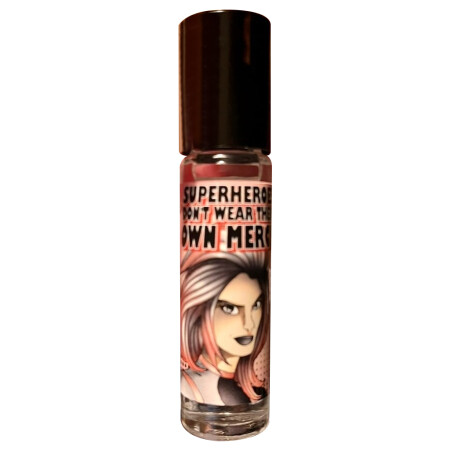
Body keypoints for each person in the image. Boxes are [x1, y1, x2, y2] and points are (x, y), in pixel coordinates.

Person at [180, 252, 269, 406]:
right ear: (198, 313)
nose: (249, 324)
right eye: (230, 308)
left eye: (256, 305)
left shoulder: (254, 387)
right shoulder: (189, 386)